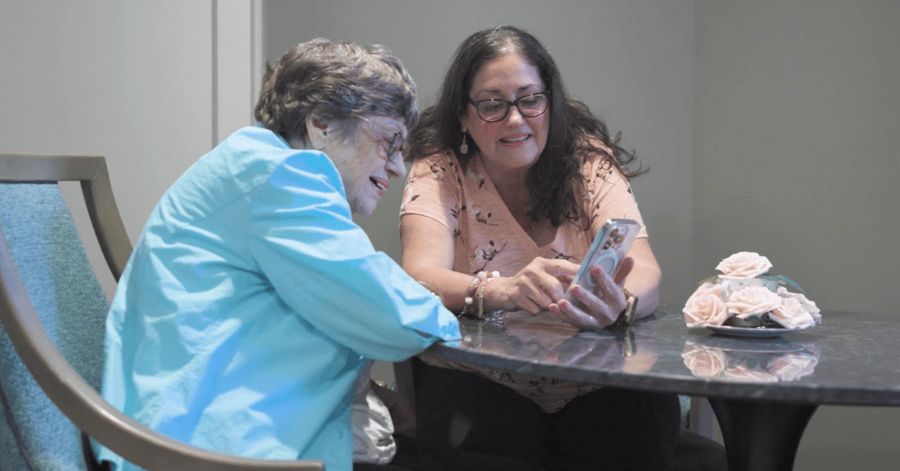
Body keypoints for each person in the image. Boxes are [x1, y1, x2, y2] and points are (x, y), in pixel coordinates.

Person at [95, 39, 462, 471]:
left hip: (188, 432)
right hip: (205, 450)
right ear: (322, 122)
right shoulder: (283, 176)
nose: (399, 167)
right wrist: (456, 307)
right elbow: (394, 317)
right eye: (389, 141)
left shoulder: (256, 162)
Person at [399, 26, 682, 470]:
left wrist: (620, 305)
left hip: (595, 382)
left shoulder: (590, 162)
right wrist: (501, 290)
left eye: (530, 99)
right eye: (493, 105)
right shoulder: (439, 169)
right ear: (463, 115)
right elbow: (419, 276)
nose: (516, 119)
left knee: (641, 418)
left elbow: (646, 272)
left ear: (550, 102)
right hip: (479, 379)